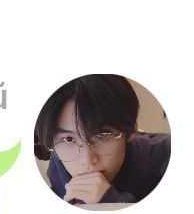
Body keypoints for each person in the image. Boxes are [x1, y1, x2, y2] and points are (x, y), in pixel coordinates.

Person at [34, 74, 170, 206]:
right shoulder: (58, 160)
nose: (87, 160)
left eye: (102, 134)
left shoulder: (165, 158)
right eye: (68, 138)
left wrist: (112, 202)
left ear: (131, 131)